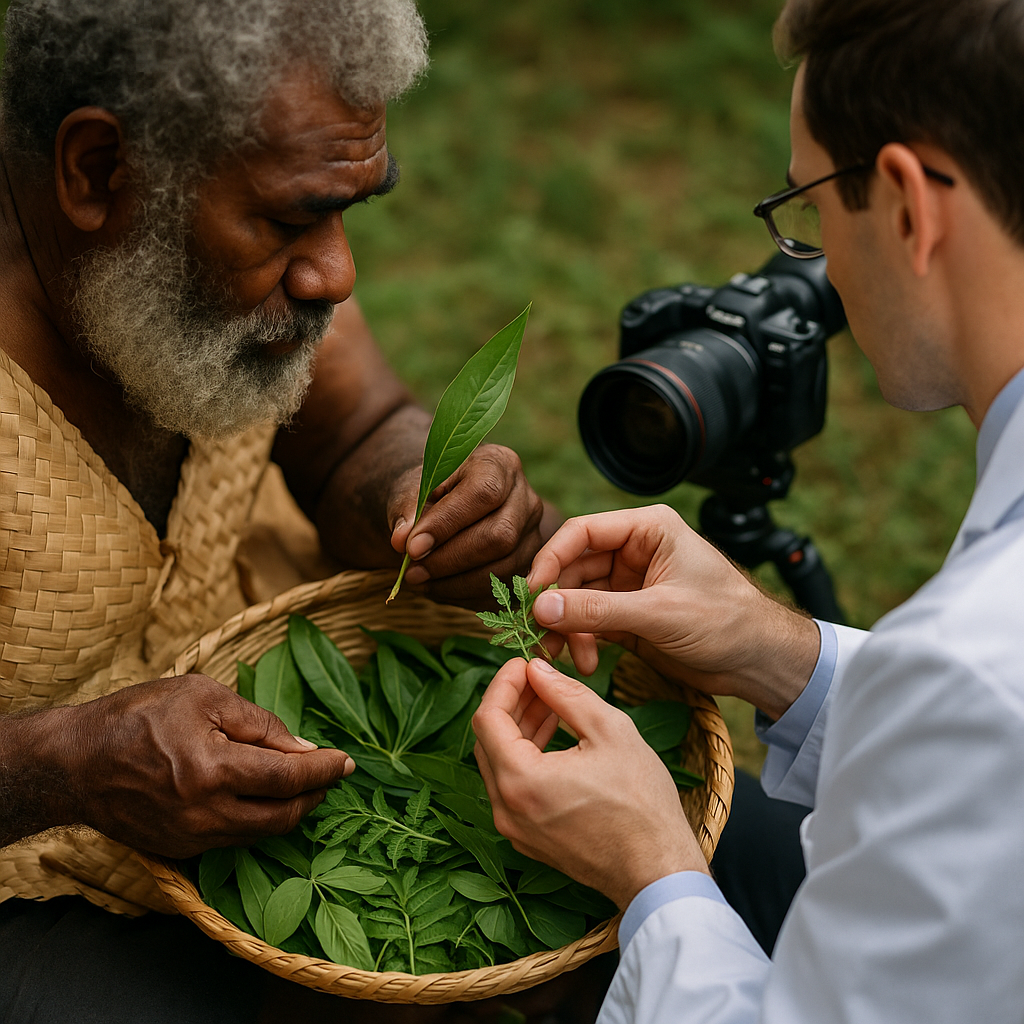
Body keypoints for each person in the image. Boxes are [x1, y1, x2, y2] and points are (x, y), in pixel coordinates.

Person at [0, 0, 557, 1019]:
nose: (337, 272)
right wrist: (61, 766)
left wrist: (416, 489)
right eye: (289, 219)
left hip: (304, 752)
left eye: (349, 209)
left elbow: (358, 425)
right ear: (96, 171)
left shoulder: (235, 268)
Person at [473, 0, 1024, 1020]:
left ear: (907, 203)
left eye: (809, 207)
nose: (812, 255)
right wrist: (782, 653)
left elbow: (979, 714)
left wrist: (649, 868)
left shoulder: (967, 673)